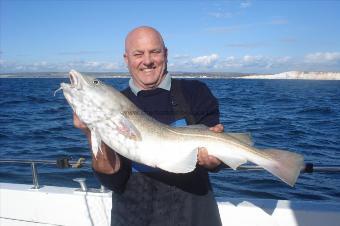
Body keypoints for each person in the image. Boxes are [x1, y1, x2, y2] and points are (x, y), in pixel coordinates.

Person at [74, 26, 224, 226]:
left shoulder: (195, 92)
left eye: (155, 51)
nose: (147, 61)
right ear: (126, 59)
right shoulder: (116, 103)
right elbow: (112, 180)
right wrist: (91, 132)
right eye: (138, 54)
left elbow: (217, 161)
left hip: (195, 218)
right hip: (134, 217)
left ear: (166, 54)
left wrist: (215, 160)